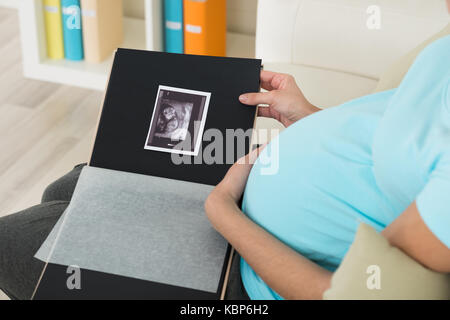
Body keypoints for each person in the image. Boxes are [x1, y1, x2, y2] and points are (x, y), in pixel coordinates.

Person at [1, 25, 450, 302]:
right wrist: (309, 119)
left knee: (9, 242)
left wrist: (221, 212)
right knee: (65, 191)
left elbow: (341, 294)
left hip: (242, 272)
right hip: (236, 193)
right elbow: (392, 135)